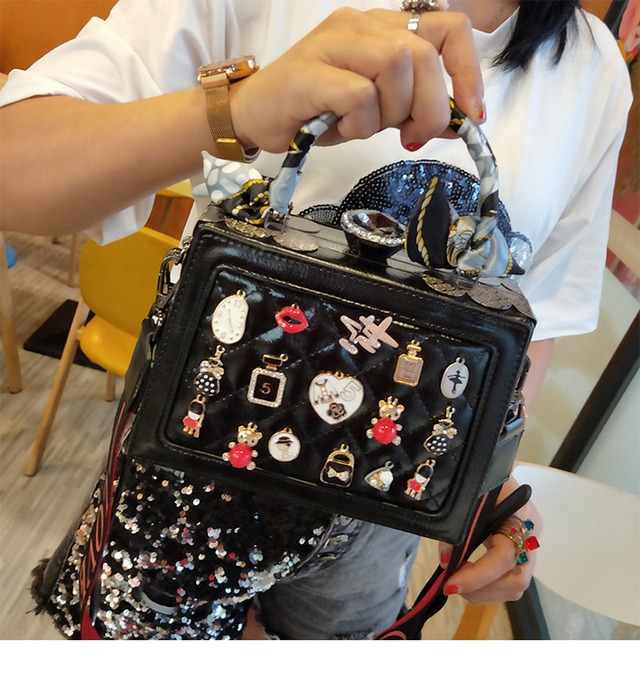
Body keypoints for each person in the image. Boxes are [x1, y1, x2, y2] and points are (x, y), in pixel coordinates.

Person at [0, 0, 631, 639]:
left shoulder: (592, 66)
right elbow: (14, 163)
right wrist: (238, 110)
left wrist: (481, 477)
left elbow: (533, 317)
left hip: (383, 502)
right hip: (194, 470)